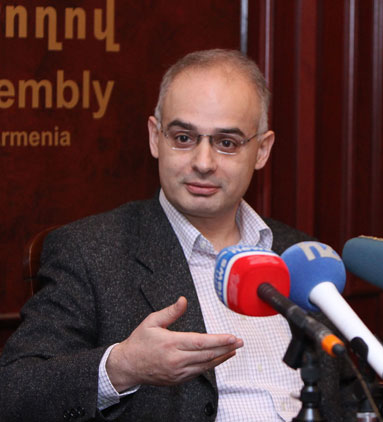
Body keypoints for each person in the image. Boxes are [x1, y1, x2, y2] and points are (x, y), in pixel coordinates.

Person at [0, 49, 355, 421]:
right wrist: (121, 367)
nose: (203, 163)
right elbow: (13, 390)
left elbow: (349, 394)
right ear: (155, 137)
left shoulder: (301, 256)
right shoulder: (90, 252)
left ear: (262, 150)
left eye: (227, 143)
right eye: (183, 138)